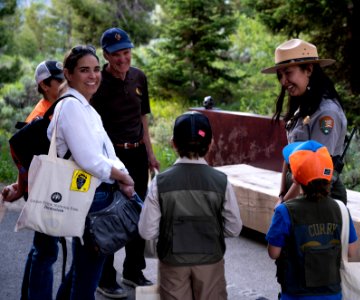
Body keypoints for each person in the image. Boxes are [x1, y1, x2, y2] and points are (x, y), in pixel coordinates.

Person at [48, 45, 135, 300]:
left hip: (91, 195)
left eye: (96, 70)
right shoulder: (73, 107)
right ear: (68, 74)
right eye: (84, 70)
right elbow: (89, 160)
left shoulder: (86, 107)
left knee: (82, 269)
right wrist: (123, 177)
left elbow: (107, 152)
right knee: (87, 277)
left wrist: (122, 174)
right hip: (88, 199)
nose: (93, 76)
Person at [138, 111, 243, 300]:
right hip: (211, 262)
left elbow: (147, 231)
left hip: (172, 263)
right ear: (210, 144)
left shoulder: (160, 182)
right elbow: (234, 228)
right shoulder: (221, 182)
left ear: (173, 143)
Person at [90, 27, 160, 298]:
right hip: (110, 158)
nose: (123, 59)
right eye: (116, 54)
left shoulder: (139, 77)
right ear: (106, 55)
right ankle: (105, 276)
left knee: (138, 214)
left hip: (137, 154)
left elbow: (143, 119)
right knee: (108, 216)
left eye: (127, 52)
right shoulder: (97, 84)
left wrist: (150, 154)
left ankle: (133, 270)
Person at [1, 60, 64, 300]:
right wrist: (21, 186)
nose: (64, 83)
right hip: (44, 191)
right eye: (59, 80)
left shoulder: (56, 107)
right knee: (46, 252)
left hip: (47, 188)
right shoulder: (39, 117)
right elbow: (27, 160)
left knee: (42, 248)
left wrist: (19, 186)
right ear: (44, 85)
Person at [266, 140, 358, 300]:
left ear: (295, 177)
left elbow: (273, 253)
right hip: (332, 293)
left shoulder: (284, 211)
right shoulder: (341, 209)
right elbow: (351, 251)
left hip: (295, 294)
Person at [261, 38, 348, 205]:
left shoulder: (326, 113)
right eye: (280, 75)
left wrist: (285, 203)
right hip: (296, 195)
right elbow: (290, 155)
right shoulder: (304, 106)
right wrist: (281, 194)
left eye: (288, 73)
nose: (283, 82)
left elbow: (313, 171)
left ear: (308, 69)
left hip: (318, 200)